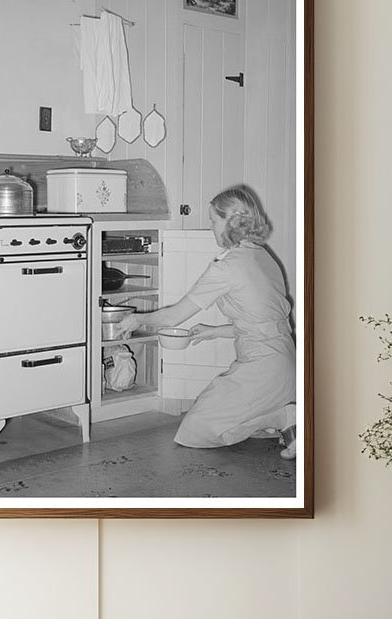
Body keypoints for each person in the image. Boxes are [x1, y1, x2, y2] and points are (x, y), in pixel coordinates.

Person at [112, 185, 297, 457]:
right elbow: (264, 319)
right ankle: (287, 422)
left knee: (196, 430)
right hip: (285, 359)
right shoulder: (261, 254)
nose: (211, 228)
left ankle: (285, 416)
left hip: (264, 367)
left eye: (213, 221)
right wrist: (215, 331)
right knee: (230, 421)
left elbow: (174, 316)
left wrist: (136, 321)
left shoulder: (227, 267)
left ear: (231, 221)